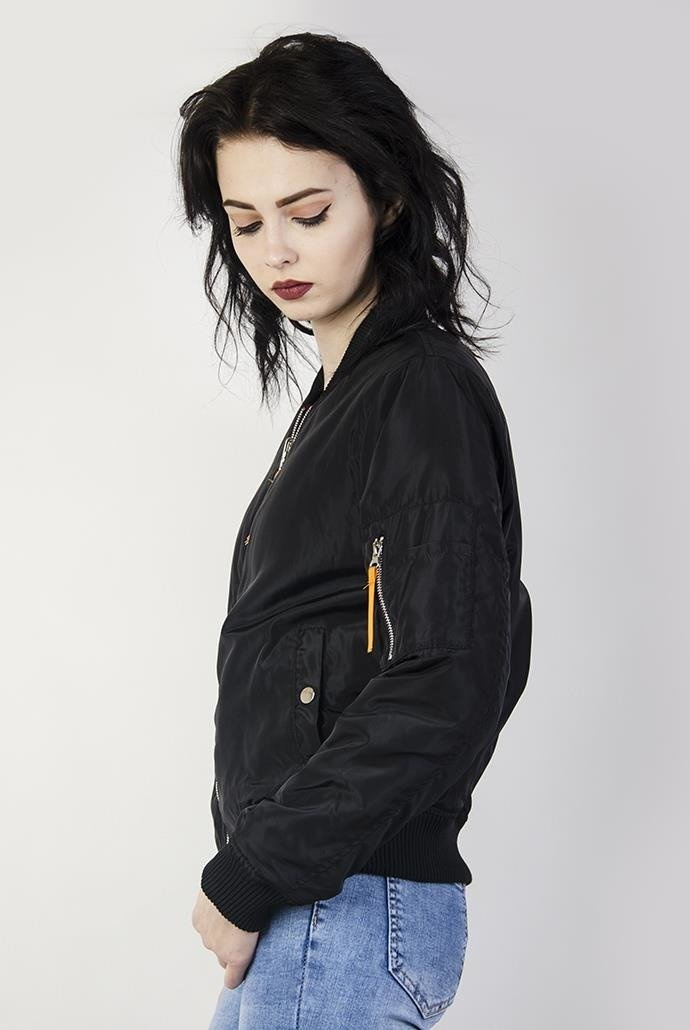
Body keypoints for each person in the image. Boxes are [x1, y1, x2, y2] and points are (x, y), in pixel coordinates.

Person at [176, 31, 533, 1029]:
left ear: (388, 197)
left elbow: (451, 671)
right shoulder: (346, 402)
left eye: (309, 213)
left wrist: (255, 868)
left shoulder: (419, 391)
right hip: (317, 906)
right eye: (245, 222)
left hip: (337, 907)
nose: (274, 252)